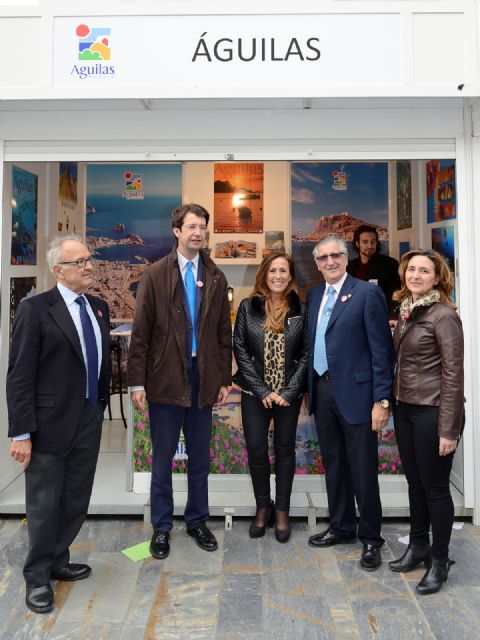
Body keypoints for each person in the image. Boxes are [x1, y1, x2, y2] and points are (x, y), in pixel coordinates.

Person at [7, 235, 111, 614]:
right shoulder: (35, 310)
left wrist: (99, 406)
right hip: (47, 425)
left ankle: (57, 559)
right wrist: (21, 432)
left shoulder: (99, 307)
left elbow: (100, 363)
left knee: (75, 499)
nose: (88, 266)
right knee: (44, 504)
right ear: (58, 270)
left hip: (88, 418)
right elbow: (19, 376)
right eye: (79, 261)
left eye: (89, 259)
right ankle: (37, 576)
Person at [127, 203, 231, 560]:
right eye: (192, 227)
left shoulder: (216, 275)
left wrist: (224, 378)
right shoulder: (154, 275)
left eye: (203, 227)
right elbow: (141, 333)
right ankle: (161, 527)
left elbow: (223, 333)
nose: (198, 233)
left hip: (204, 377)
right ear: (177, 231)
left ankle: (197, 521)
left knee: (200, 458)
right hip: (165, 377)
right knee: (163, 459)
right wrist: (137, 383)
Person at [307, 235, 394, 571]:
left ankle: (371, 538)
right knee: (335, 466)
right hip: (323, 391)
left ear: (346, 258)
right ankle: (341, 527)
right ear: (317, 264)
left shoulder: (367, 294)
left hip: (358, 396)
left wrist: (382, 400)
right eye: (323, 257)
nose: (330, 261)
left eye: (335, 255)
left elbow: (381, 351)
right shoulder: (315, 294)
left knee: (362, 470)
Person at [388, 249, 464, 595]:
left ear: (437, 278)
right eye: (412, 269)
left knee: (435, 490)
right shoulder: (408, 310)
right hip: (406, 409)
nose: (415, 276)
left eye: (424, 271)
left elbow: (453, 375)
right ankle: (418, 546)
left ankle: (439, 560)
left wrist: (449, 428)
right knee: (415, 485)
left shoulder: (443, 315)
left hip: (433, 412)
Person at [233, 252, 308, 543]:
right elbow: (240, 348)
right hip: (255, 393)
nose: (278, 276)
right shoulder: (247, 306)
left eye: (283, 271)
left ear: (290, 276)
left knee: (285, 450)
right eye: (273, 270)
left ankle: (282, 511)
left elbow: (306, 353)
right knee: (256, 450)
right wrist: (262, 390)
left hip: (288, 395)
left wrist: (289, 391)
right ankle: (263, 506)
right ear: (264, 274)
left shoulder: (301, 308)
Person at [347, 225, 400, 315]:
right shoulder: (349, 266)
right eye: (365, 242)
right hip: (354, 315)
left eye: (373, 242)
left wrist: (393, 317)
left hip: (379, 315)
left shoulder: (390, 264)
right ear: (357, 243)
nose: (370, 246)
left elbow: (395, 293)